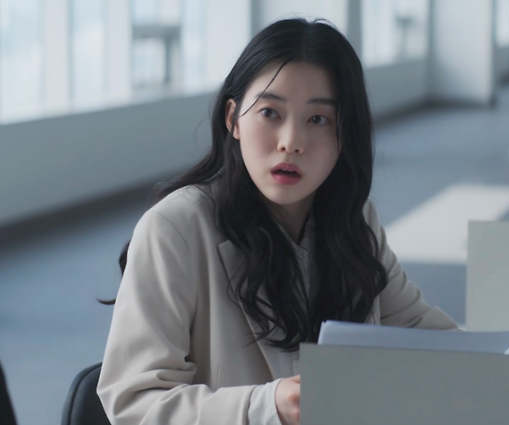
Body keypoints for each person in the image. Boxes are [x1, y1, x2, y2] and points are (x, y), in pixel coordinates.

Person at [97, 18, 457, 425]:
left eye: (318, 119)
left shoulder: (353, 221)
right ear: (233, 118)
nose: (291, 142)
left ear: (344, 135)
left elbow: (421, 334)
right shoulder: (174, 229)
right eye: (270, 112)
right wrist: (266, 408)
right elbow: (135, 403)